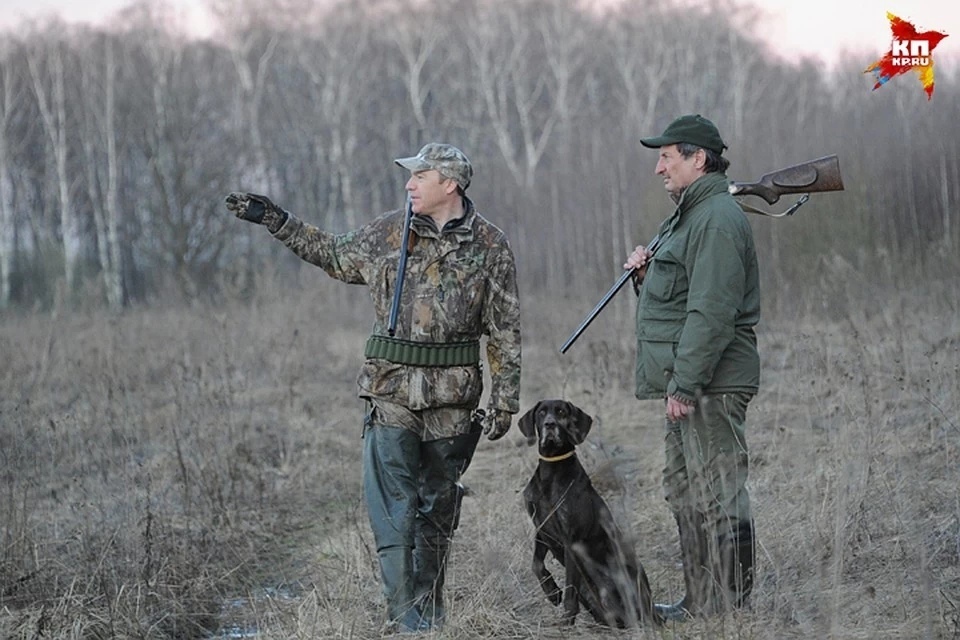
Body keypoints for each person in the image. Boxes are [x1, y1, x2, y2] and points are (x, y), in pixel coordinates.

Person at [224, 143, 521, 633]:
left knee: (438, 507)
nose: (409, 185)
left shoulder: (490, 244)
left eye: (419, 177)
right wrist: (276, 219)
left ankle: (431, 609)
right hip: (390, 393)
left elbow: (506, 329)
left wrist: (505, 401)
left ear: (449, 184)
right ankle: (405, 616)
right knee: (393, 508)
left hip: (454, 401)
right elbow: (332, 253)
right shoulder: (388, 231)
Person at [623, 115, 759, 620]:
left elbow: (712, 310)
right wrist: (646, 273)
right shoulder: (687, 216)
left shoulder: (717, 218)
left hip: (711, 382)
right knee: (684, 488)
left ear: (697, 159)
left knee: (719, 487)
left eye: (667, 157)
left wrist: (684, 383)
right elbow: (681, 300)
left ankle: (731, 606)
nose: (658, 167)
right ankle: (700, 601)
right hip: (692, 380)